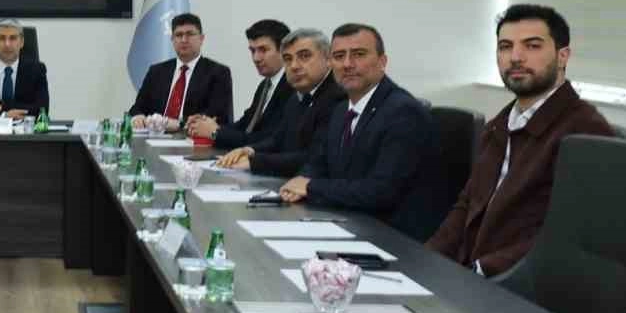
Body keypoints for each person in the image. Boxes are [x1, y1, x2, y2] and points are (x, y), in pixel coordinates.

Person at [428, 4, 614, 276]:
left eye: (532, 46)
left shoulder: (586, 131)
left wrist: (479, 271)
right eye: (505, 47)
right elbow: (468, 205)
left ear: (562, 56)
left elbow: (567, 236)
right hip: (470, 274)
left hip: (520, 285)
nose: (515, 57)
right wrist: (427, 259)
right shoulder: (499, 125)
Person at [279, 23, 445, 239]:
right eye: (339, 56)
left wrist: (310, 187)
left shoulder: (403, 112)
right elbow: (318, 163)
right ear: (330, 63)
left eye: (358, 54)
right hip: (349, 222)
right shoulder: (341, 109)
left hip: (392, 236)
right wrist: (298, 183)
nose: (347, 64)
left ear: (382, 62)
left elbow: (380, 191)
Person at [216, 28, 345, 177]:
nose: (294, 66)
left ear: (328, 60)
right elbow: (278, 139)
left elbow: (314, 156)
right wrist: (250, 150)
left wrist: (255, 162)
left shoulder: (338, 98)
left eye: (304, 56)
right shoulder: (296, 97)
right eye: (288, 59)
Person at [188, 18, 292, 147]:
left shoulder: (292, 86)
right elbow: (244, 124)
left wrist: (216, 132)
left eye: (263, 50)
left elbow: (268, 139)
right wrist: (206, 124)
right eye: (252, 51)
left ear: (283, 51)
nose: (256, 58)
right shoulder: (265, 85)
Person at [129, 13, 233, 131]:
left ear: (201, 39)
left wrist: (179, 124)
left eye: (190, 34)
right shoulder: (156, 71)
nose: (184, 40)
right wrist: (138, 116)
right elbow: (137, 108)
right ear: (172, 40)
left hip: (192, 138)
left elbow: (216, 116)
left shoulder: (218, 73)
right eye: (179, 35)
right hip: (155, 136)